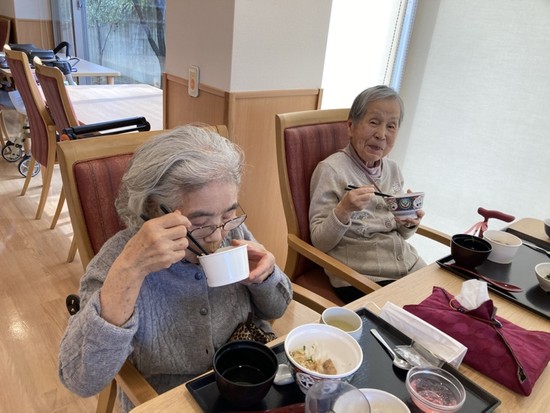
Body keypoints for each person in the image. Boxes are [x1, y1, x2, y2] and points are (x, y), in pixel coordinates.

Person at [58, 125, 293, 412]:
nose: (218, 236)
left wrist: (266, 277)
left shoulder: (232, 232)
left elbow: (276, 309)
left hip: (249, 375)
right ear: (153, 209)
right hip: (172, 398)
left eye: (229, 214)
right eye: (200, 223)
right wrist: (129, 272)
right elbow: (79, 380)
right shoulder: (120, 261)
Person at [309, 85, 425, 303]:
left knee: (450, 304)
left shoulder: (393, 170)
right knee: (419, 317)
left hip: (408, 266)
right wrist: (344, 210)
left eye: (391, 126)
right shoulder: (331, 170)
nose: (381, 134)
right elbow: (320, 242)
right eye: (373, 122)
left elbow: (401, 234)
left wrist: (409, 221)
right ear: (351, 126)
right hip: (362, 277)